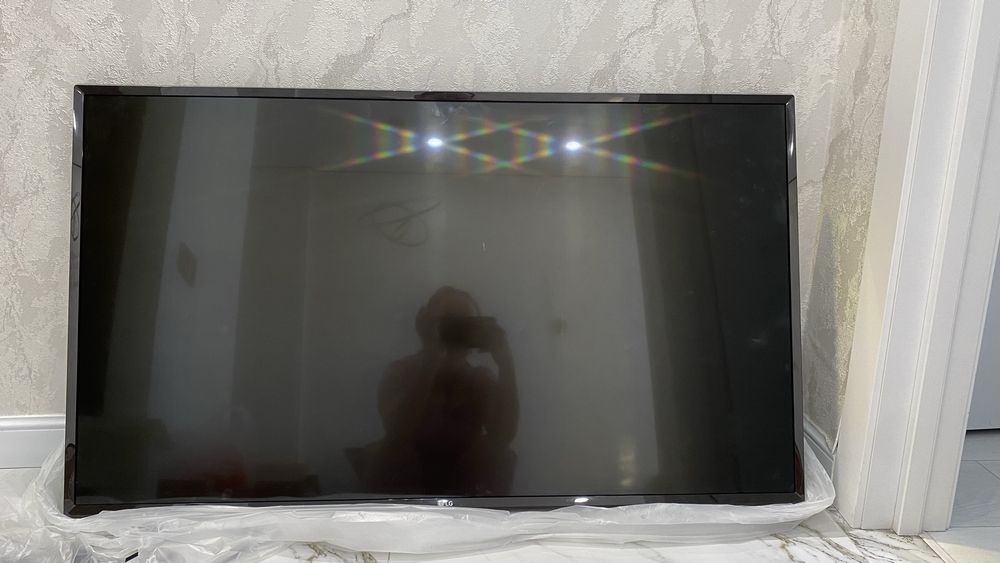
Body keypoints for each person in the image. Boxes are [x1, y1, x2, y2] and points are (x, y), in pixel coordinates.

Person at [358, 286, 519, 496]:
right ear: (426, 326)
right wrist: (432, 359)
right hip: (406, 484)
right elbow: (396, 434)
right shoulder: (401, 370)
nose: (457, 331)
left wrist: (506, 362)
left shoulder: (479, 379)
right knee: (392, 452)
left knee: (502, 455)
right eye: (449, 322)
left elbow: (503, 437)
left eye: (465, 323)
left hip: (465, 482)